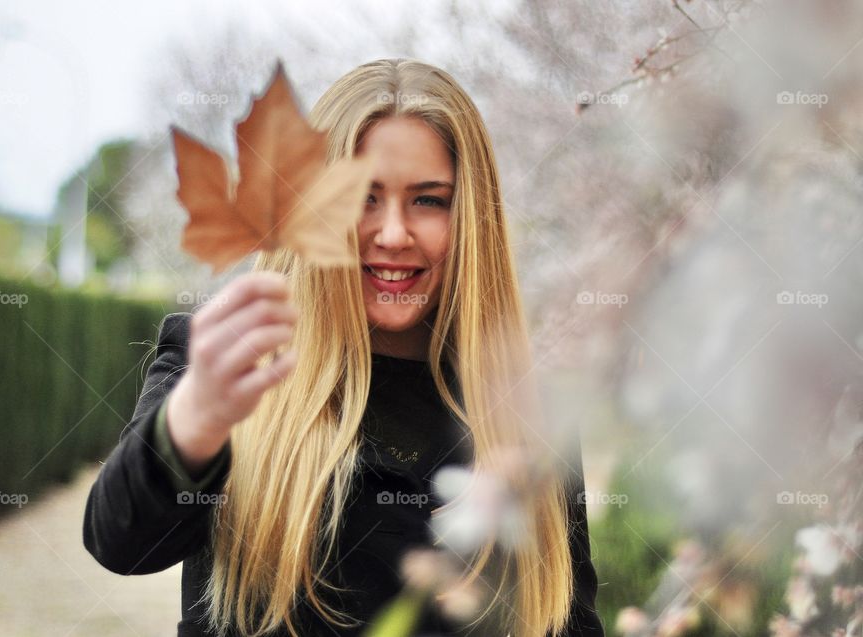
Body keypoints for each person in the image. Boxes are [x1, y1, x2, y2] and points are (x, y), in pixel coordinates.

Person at [83, 58, 604, 637]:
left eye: (429, 200)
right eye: (363, 197)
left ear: (470, 217)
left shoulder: (527, 408)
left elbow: (570, 620)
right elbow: (122, 541)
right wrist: (197, 417)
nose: (393, 234)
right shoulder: (229, 365)